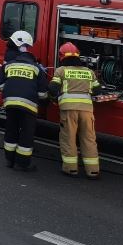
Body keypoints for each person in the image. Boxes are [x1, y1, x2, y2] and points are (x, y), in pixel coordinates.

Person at [0, 30, 49, 171]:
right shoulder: (37, 69)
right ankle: (23, 163)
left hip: (10, 104)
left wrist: (13, 87)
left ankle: (9, 160)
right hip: (29, 106)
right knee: (26, 134)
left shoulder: (9, 64)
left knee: (11, 130)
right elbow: (43, 94)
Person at [49, 42, 101, 179]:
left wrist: (55, 99)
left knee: (69, 139)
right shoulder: (89, 72)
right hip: (87, 111)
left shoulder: (61, 71)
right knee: (89, 139)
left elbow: (52, 89)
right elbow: (97, 90)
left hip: (68, 111)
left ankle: (71, 168)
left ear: (62, 56)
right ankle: (93, 171)